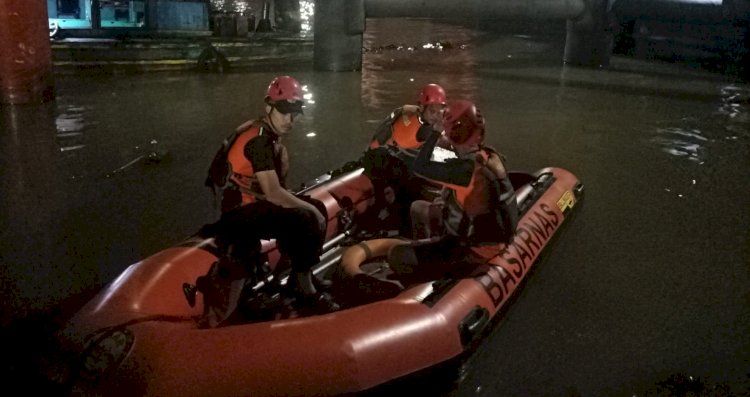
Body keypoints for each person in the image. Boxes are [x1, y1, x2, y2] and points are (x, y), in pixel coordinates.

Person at [184, 75, 339, 328]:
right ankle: (304, 289)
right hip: (239, 211)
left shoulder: (266, 135)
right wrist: (308, 209)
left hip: (253, 205)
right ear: (269, 107)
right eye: (284, 112)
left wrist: (310, 206)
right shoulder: (259, 141)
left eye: (294, 114)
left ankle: (300, 276)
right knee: (307, 215)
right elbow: (273, 192)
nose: (289, 119)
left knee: (316, 207)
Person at [389, 99, 519, 280]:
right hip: (483, 237)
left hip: (473, 250)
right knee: (419, 208)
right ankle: (430, 248)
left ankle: (422, 285)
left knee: (397, 255)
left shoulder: (465, 171)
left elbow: (420, 166)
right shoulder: (487, 156)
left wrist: (434, 133)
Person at [360, 84, 448, 236]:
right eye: (433, 111)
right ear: (422, 107)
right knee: (412, 182)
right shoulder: (424, 130)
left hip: (378, 155)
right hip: (382, 161)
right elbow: (424, 155)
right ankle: (400, 226)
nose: (436, 116)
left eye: (440, 111)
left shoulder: (409, 110)